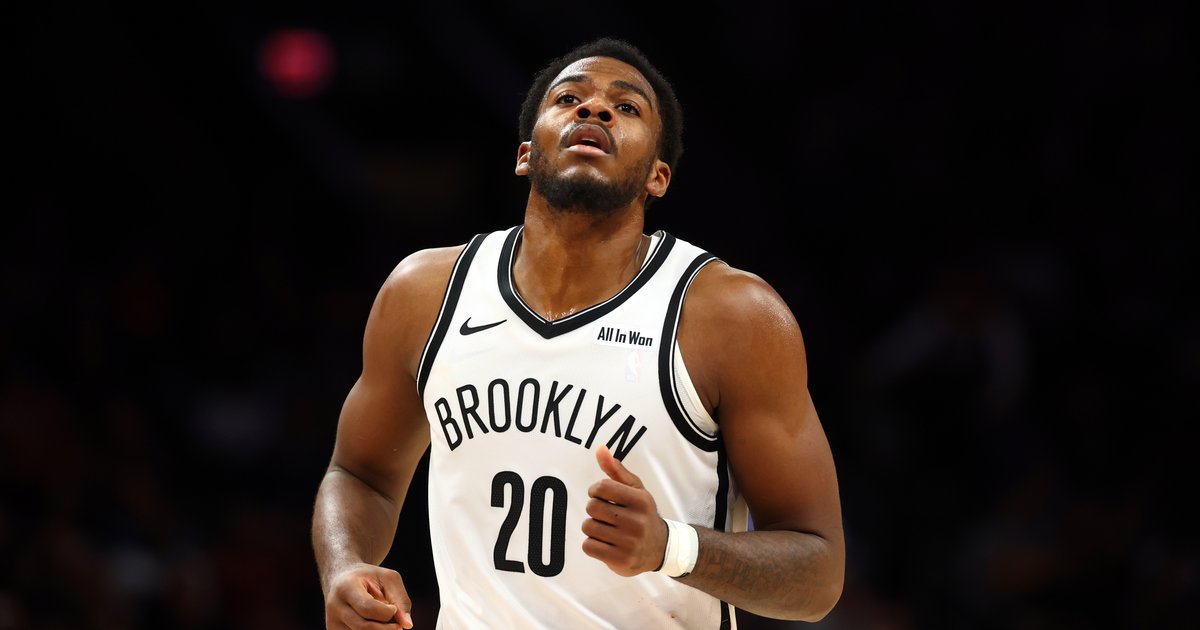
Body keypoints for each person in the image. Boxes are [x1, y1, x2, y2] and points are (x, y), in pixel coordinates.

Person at [311, 37, 845, 629]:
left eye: (627, 106)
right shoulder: (425, 294)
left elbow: (817, 574)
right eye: (569, 99)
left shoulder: (732, 317)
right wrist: (345, 565)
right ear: (525, 154)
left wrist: (670, 547)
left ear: (658, 177)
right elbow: (360, 475)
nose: (594, 109)